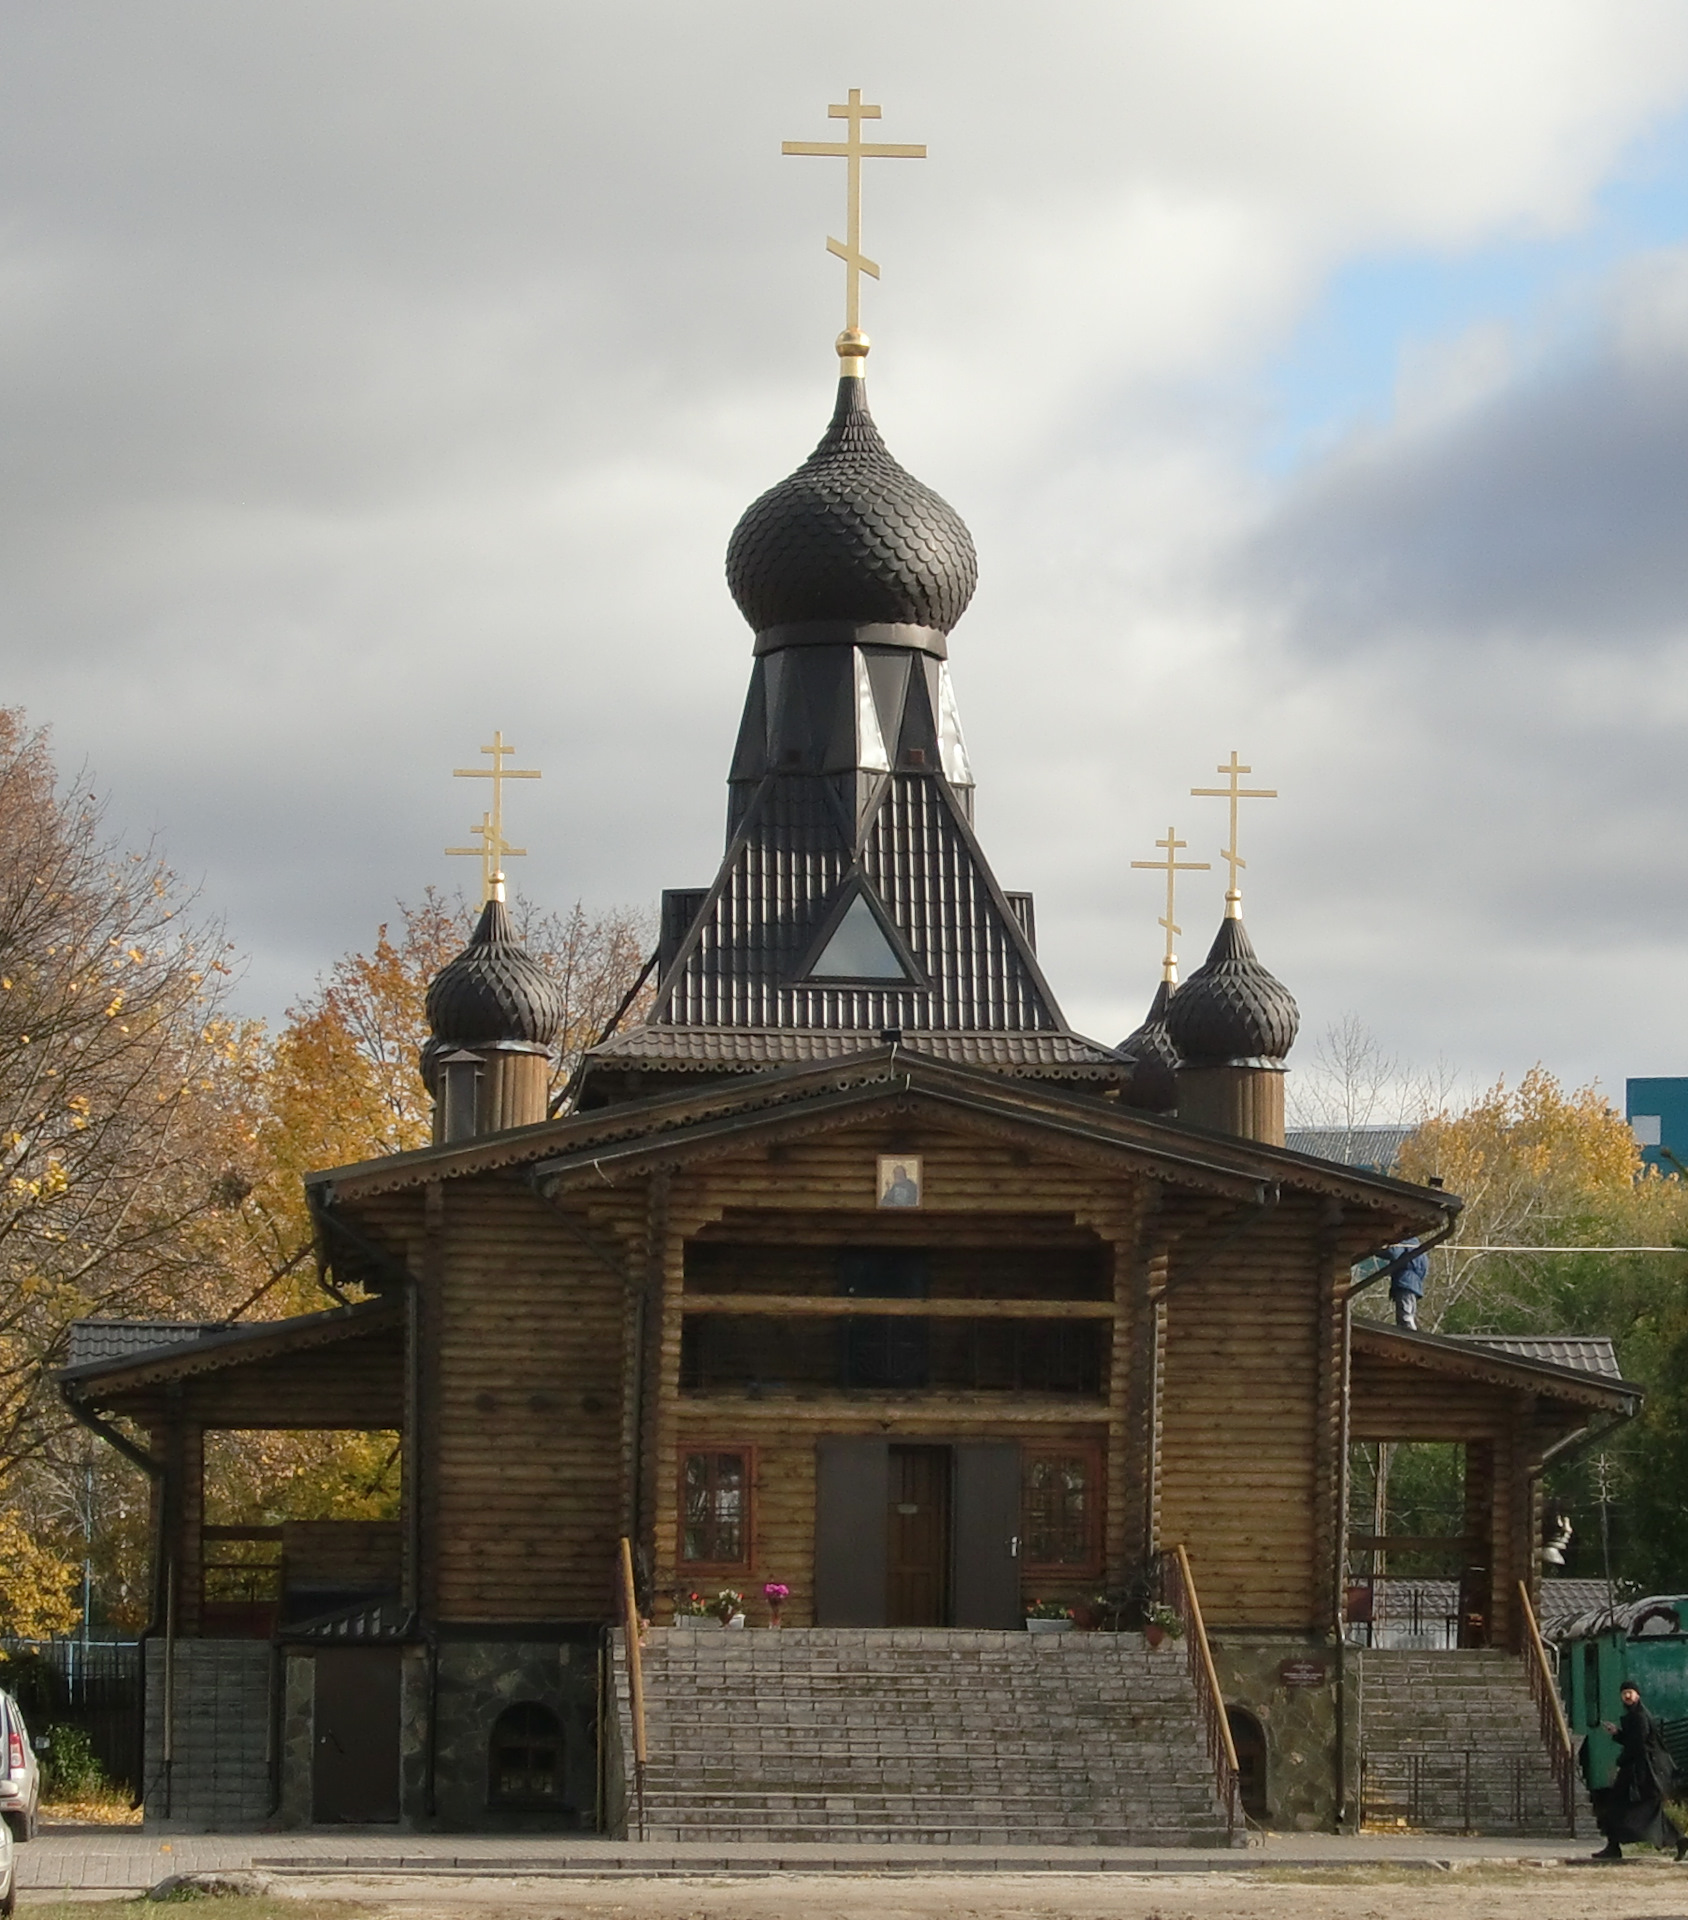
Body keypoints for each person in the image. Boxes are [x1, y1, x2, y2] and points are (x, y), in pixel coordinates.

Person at [1592, 1680, 1687, 1860]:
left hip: (1639, 1772)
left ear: (1638, 1694)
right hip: (1638, 1770)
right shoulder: (1635, 1715)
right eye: (1624, 1693)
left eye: (1630, 1692)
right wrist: (1618, 1734)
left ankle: (1614, 1846)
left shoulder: (1639, 1716)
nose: (1627, 1696)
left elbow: (1639, 1745)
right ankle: (1678, 1840)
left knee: (1623, 1807)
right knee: (1645, 1809)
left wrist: (1621, 1760)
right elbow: (1635, 1740)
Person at [1384, 1239, 1428, 1330]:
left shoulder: (1405, 1241)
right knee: (1409, 1313)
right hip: (1415, 1285)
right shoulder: (1417, 1246)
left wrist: (1376, 1250)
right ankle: (1410, 1328)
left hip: (1404, 1282)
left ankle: (1407, 1331)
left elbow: (1393, 1253)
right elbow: (1425, 1269)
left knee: (1405, 1316)